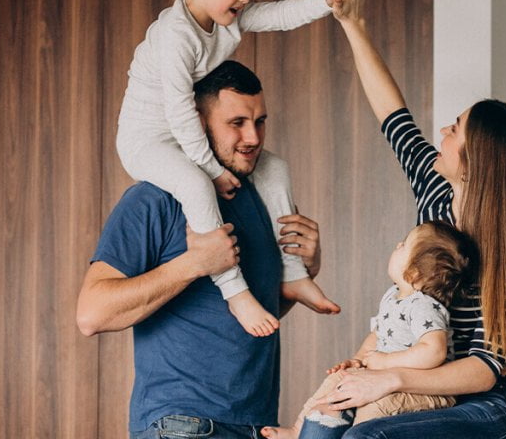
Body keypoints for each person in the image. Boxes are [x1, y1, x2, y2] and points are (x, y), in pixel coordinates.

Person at [292, 0, 506, 439]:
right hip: (419, 380)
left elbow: (485, 368)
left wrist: (389, 376)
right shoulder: (436, 190)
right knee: (325, 423)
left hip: (484, 402)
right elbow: (393, 113)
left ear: (477, 165)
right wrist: (352, 23)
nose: (442, 133)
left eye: (455, 130)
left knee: (365, 436)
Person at [76, 61, 327, 438]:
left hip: (255, 425)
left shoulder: (259, 199)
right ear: (197, 121)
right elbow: (91, 314)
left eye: (259, 122)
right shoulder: (154, 198)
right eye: (237, 123)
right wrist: (193, 264)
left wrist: (304, 270)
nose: (254, 137)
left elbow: (246, 320)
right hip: (182, 425)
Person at [116, 0, 345, 337]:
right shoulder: (176, 36)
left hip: (188, 135)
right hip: (149, 140)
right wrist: (211, 168)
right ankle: (233, 289)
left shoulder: (225, 19)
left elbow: (278, 15)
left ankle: (292, 274)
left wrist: (327, 3)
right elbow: (181, 110)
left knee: (273, 167)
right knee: (195, 184)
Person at [264, 221, 479, 438]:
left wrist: (386, 362)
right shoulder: (392, 296)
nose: (397, 244)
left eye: (404, 245)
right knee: (336, 382)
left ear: (412, 273)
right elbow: (378, 334)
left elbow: (434, 352)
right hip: (381, 376)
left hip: (421, 390)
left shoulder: (424, 306)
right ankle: (298, 429)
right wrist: (357, 361)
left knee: (370, 414)